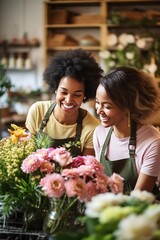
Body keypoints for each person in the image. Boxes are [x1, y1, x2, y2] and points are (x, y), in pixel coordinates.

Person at [93, 66, 160, 196]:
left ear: (127, 107)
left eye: (107, 106)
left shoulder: (153, 143)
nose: (98, 110)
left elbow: (138, 198)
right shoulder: (99, 133)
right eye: (97, 102)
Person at [25, 48, 102, 157]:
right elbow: (28, 157)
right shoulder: (38, 111)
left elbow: (86, 169)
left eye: (77, 94)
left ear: (85, 95)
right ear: (55, 88)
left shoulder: (93, 127)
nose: (68, 100)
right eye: (64, 92)